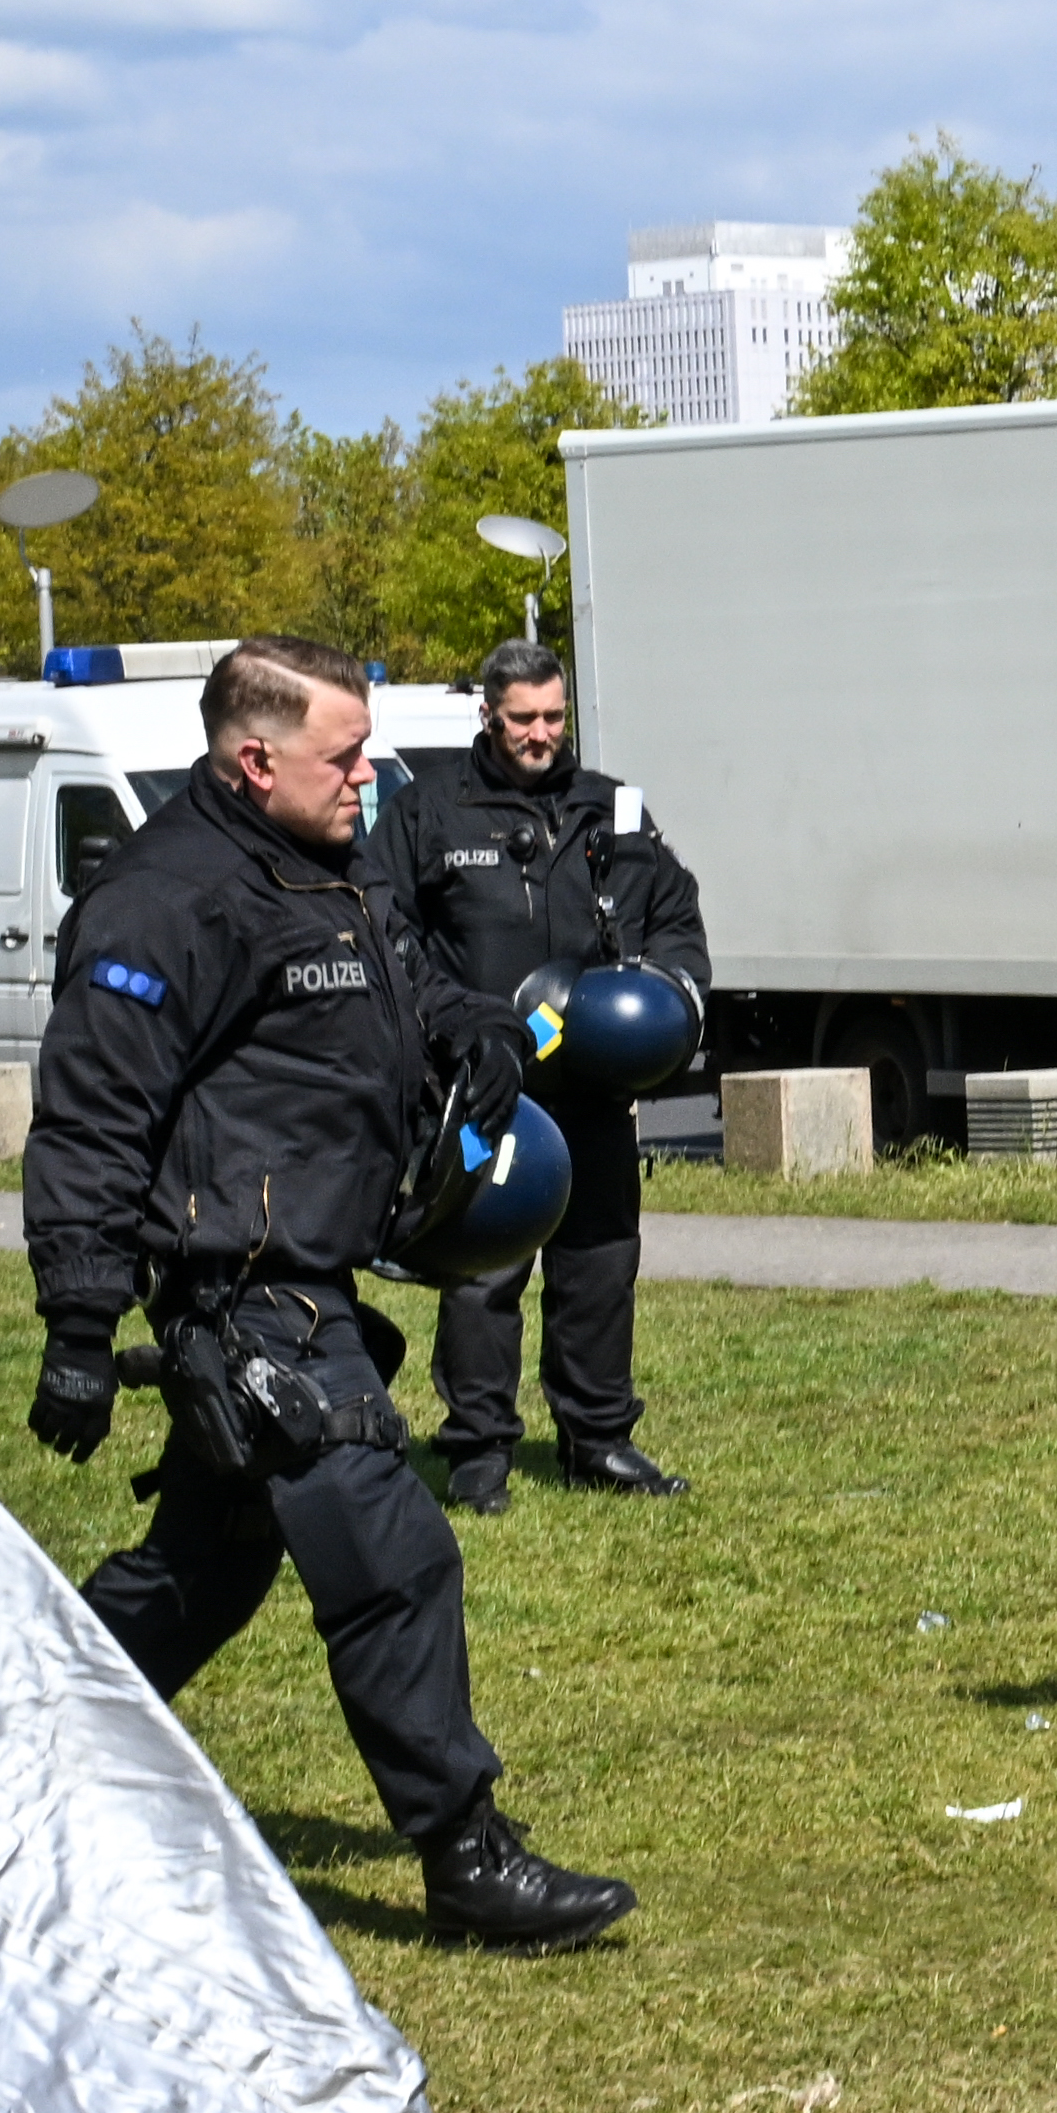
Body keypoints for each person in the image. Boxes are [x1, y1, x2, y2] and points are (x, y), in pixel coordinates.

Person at [23, 638, 636, 1951]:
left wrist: (470, 1031)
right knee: (395, 1558)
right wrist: (81, 1325)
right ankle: (466, 1858)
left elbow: (404, 979)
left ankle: (13, 1744)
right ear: (256, 758)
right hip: (242, 1292)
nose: (371, 774)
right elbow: (89, 1122)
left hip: (309, 1268)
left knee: (201, 1573)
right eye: (343, 754)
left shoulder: (332, 861)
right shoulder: (159, 902)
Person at [365, 639, 713, 1511]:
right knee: (484, 1270)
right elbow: (384, 929)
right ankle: (478, 1448)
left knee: (600, 1261)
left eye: (554, 717)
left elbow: (674, 913)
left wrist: (676, 991)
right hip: (484, 1082)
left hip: (595, 1079)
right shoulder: (426, 813)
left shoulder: (613, 811)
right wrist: (456, 1027)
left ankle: (598, 1437)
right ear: (488, 714)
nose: (541, 734)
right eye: (523, 718)